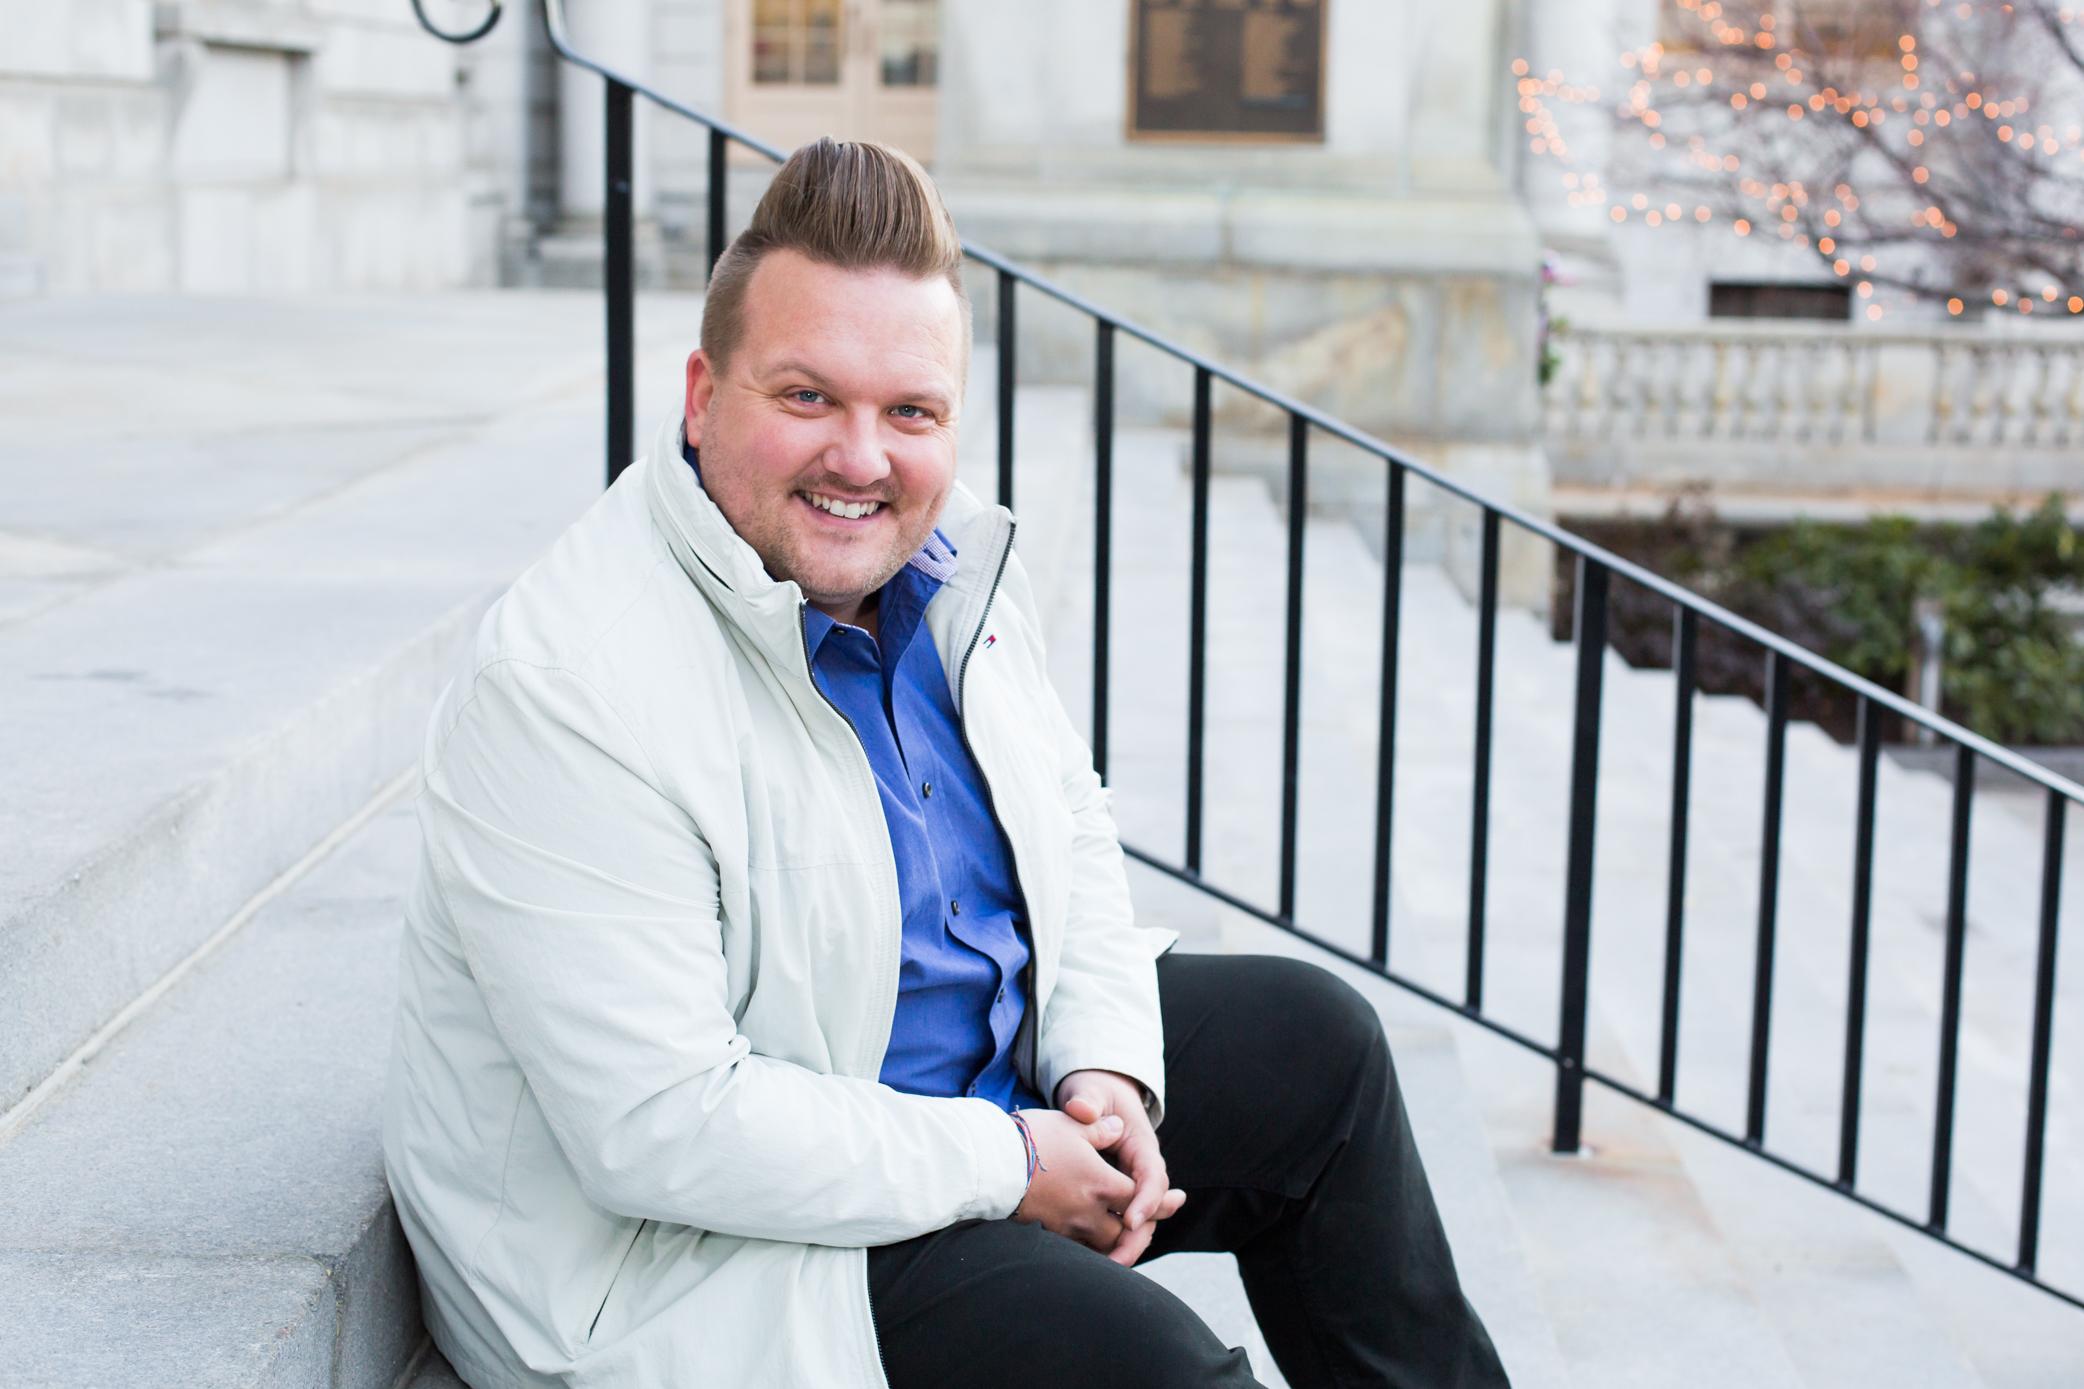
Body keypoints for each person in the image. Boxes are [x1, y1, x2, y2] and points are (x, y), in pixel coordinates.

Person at [381, 136, 1509, 1389]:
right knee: (1147, 1369)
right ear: (703, 396)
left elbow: (1069, 837)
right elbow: (660, 1132)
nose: (862, 460)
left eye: (908, 413)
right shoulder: (568, 683)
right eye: (807, 396)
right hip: (696, 1257)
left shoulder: (945, 573)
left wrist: (1102, 1074)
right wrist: (1012, 1164)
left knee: (1317, 1049)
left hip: (946, 1110)